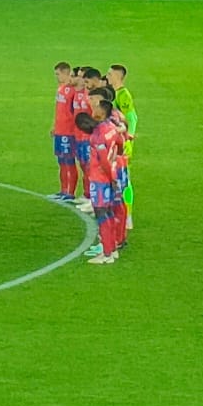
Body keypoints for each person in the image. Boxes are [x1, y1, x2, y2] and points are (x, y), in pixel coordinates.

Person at [77, 104, 126, 265]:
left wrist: (110, 177)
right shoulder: (111, 127)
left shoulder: (98, 135)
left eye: (97, 108)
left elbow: (103, 160)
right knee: (109, 213)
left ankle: (106, 254)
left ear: (101, 113)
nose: (93, 109)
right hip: (109, 176)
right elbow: (120, 143)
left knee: (102, 214)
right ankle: (112, 249)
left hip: (100, 180)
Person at [50, 61, 89, 201]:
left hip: (69, 132)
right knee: (61, 161)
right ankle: (63, 190)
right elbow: (59, 110)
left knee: (68, 161)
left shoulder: (73, 91)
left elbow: (75, 112)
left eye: (58, 74)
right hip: (60, 131)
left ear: (66, 73)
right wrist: (55, 126)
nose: (57, 77)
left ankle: (70, 192)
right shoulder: (61, 88)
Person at [110, 62, 138, 231]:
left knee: (125, 180)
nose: (108, 76)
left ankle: (128, 216)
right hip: (118, 141)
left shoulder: (123, 95)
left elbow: (132, 117)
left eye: (110, 74)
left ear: (118, 77)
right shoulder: (116, 93)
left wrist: (130, 136)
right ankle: (120, 213)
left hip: (124, 144)